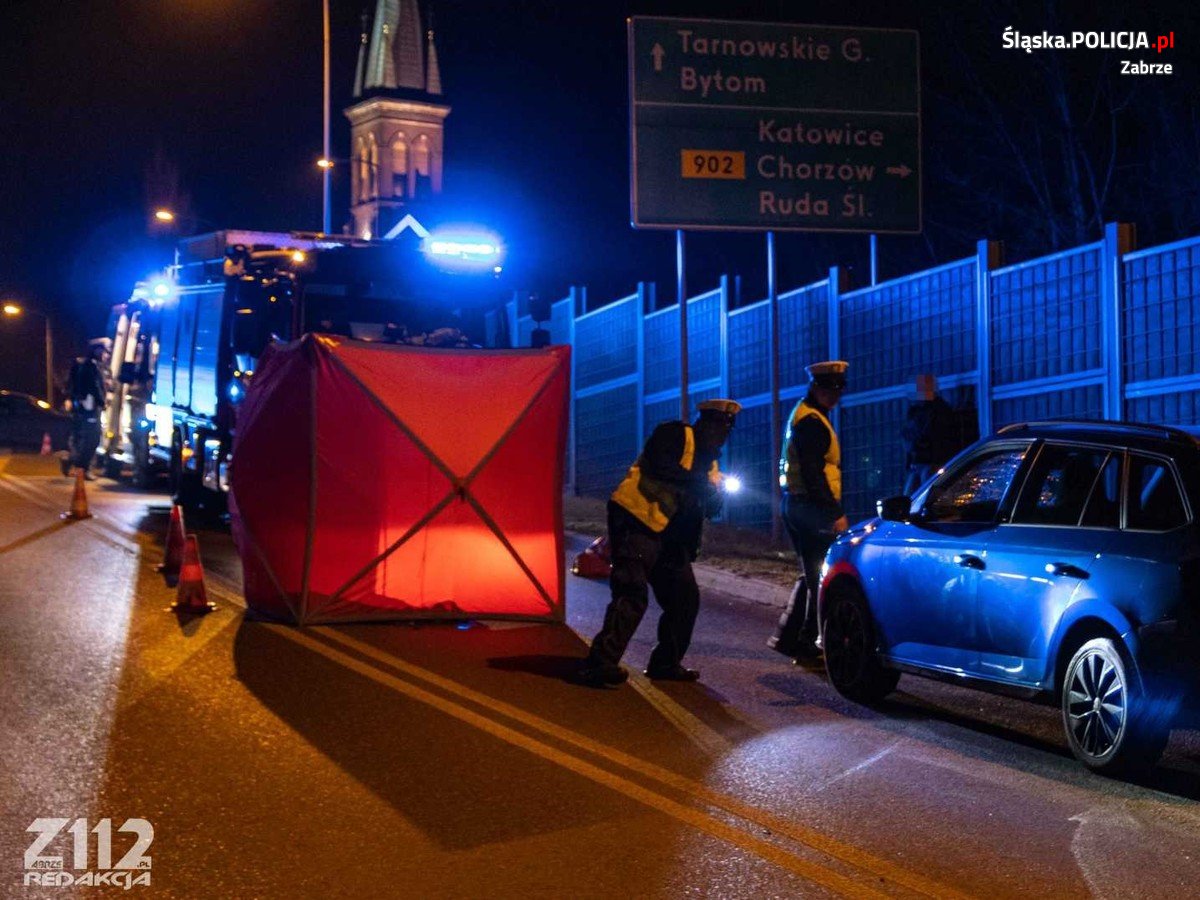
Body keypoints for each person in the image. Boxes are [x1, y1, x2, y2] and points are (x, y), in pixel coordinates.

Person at [572, 399, 742, 687]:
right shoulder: (674, 434)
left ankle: (665, 662)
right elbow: (658, 465)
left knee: (685, 599)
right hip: (636, 521)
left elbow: (708, 508)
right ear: (703, 423)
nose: (721, 435)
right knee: (632, 592)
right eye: (716, 427)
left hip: (670, 538)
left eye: (726, 429)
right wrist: (701, 484)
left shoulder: (712, 466)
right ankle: (599, 664)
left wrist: (715, 496)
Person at [768, 361, 850, 662]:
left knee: (811, 573)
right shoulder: (812, 421)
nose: (835, 395)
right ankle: (807, 642)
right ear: (815, 387)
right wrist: (834, 512)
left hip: (798, 504)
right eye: (830, 388)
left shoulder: (805, 414)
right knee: (820, 576)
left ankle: (789, 637)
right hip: (811, 508)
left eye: (840, 388)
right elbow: (814, 473)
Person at [901, 373, 958, 495]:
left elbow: (935, 435)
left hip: (931, 462)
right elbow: (907, 434)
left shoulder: (940, 410)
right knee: (909, 497)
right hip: (918, 462)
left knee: (927, 495)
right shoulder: (915, 411)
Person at [62, 338, 110, 478]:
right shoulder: (91, 366)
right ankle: (81, 467)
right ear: (96, 350)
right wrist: (102, 401)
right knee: (92, 439)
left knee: (83, 438)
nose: (104, 354)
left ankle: (73, 462)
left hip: (82, 407)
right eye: (102, 350)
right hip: (89, 407)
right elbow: (94, 386)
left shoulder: (84, 364)